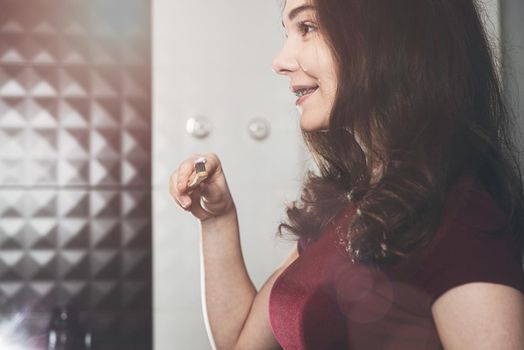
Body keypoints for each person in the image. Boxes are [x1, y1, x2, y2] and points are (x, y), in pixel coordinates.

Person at [169, 0, 524, 348]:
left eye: (307, 27)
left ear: (387, 37)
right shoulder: (353, 200)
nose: (280, 62)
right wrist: (217, 219)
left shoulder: (460, 220)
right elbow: (240, 344)